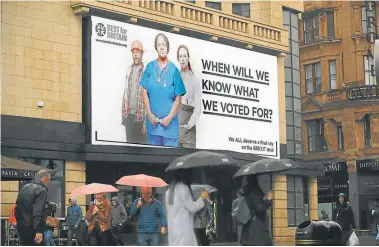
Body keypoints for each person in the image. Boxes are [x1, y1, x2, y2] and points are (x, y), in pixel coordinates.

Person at [141, 33, 186, 147]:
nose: (161, 47)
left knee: (169, 162)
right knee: (153, 161)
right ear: (156, 47)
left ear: (168, 47)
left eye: (164, 44)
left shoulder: (174, 71)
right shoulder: (150, 67)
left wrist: (169, 118)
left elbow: (178, 98)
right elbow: (144, 92)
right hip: (153, 126)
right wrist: (150, 115)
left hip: (169, 128)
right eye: (159, 44)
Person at [165, 170, 208, 246]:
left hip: (173, 229)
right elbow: (192, 207)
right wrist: (202, 197)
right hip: (183, 229)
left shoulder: (169, 191)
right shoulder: (183, 188)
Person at [15, 170, 50, 246]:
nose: (48, 183)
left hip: (22, 228)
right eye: (48, 180)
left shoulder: (24, 188)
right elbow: (38, 212)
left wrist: (18, 224)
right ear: (44, 178)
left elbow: (17, 208)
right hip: (33, 229)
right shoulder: (41, 190)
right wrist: (39, 231)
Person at [122, 40, 147, 144]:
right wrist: (124, 114)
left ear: (142, 53)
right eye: (134, 52)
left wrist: (146, 122)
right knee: (129, 149)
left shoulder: (146, 71)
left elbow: (149, 98)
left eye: (138, 52)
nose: (136, 55)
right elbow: (125, 92)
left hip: (140, 117)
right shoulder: (129, 70)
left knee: (142, 151)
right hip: (129, 116)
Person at [177, 45, 201, 148]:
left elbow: (198, 108)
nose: (182, 58)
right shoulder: (175, 76)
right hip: (174, 132)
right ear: (178, 59)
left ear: (188, 58)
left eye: (184, 56)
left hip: (188, 133)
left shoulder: (194, 80)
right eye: (180, 56)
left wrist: (189, 125)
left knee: (189, 162)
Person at [239, 175, 274, 246]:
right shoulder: (254, 192)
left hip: (247, 234)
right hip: (257, 233)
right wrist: (268, 199)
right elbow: (260, 209)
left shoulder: (245, 193)